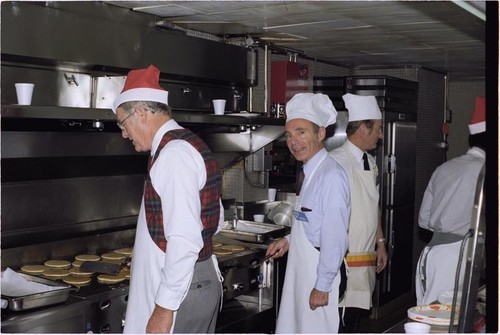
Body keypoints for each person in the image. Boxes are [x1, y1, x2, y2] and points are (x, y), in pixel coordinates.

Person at [112, 65, 224, 333]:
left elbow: (185, 239)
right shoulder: (184, 144)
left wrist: (164, 308)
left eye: (123, 124)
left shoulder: (174, 155)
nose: (124, 134)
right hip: (192, 281)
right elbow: (214, 220)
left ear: (140, 113)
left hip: (181, 294)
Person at [266, 93, 351, 333]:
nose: (293, 142)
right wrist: (289, 240)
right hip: (303, 270)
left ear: (320, 133)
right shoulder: (309, 172)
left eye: (301, 132)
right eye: (289, 135)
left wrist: (322, 286)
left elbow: (334, 237)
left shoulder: (330, 176)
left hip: (319, 272)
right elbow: (314, 221)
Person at [415, 96, 486, 306]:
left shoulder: (444, 168)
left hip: (430, 254)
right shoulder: (485, 172)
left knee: (428, 316)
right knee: (443, 319)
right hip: (458, 257)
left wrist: (446, 223)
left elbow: (423, 220)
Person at [330, 93, 388, 333]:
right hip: (346, 265)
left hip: (366, 262)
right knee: (341, 324)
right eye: (378, 129)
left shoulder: (370, 161)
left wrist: (381, 243)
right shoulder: (337, 162)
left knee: (355, 322)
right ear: (363, 128)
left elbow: (372, 204)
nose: (381, 135)